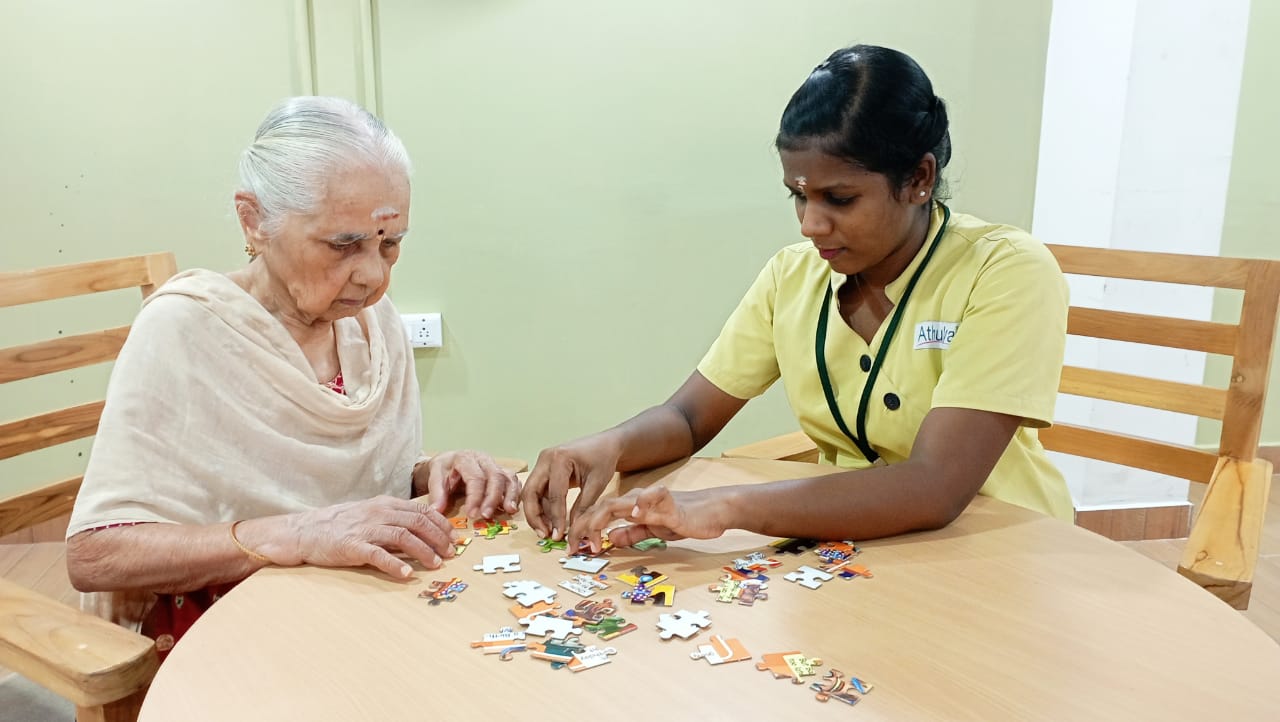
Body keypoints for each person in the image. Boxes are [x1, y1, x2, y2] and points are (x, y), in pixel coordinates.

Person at [522, 45, 1073, 552]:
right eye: (799, 195)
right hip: (845, 551)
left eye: (839, 198)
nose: (811, 223)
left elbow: (936, 485)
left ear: (919, 179)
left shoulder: (1004, 270)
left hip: (999, 547)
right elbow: (689, 419)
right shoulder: (793, 276)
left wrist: (725, 506)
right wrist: (607, 445)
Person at [65, 97, 519, 656]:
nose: (373, 275)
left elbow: (349, 483)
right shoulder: (185, 327)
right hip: (229, 624)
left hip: (359, 596)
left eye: (390, 242)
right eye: (343, 244)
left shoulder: (370, 322)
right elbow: (95, 555)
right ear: (253, 220)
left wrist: (430, 473)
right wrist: (300, 532)